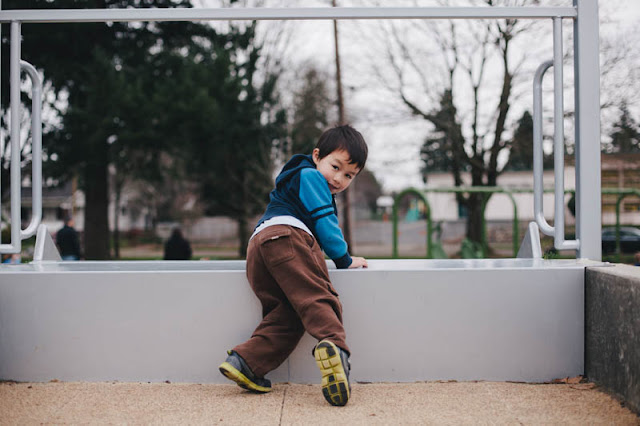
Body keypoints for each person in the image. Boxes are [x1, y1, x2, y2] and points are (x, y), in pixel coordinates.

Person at [218, 125, 368, 407]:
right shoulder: (310, 177)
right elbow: (325, 224)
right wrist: (344, 260)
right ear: (317, 156)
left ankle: (246, 362)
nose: (339, 178)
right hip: (289, 237)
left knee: (288, 312)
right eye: (335, 167)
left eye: (349, 175)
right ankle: (335, 346)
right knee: (318, 296)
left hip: (259, 247)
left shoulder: (295, 177)